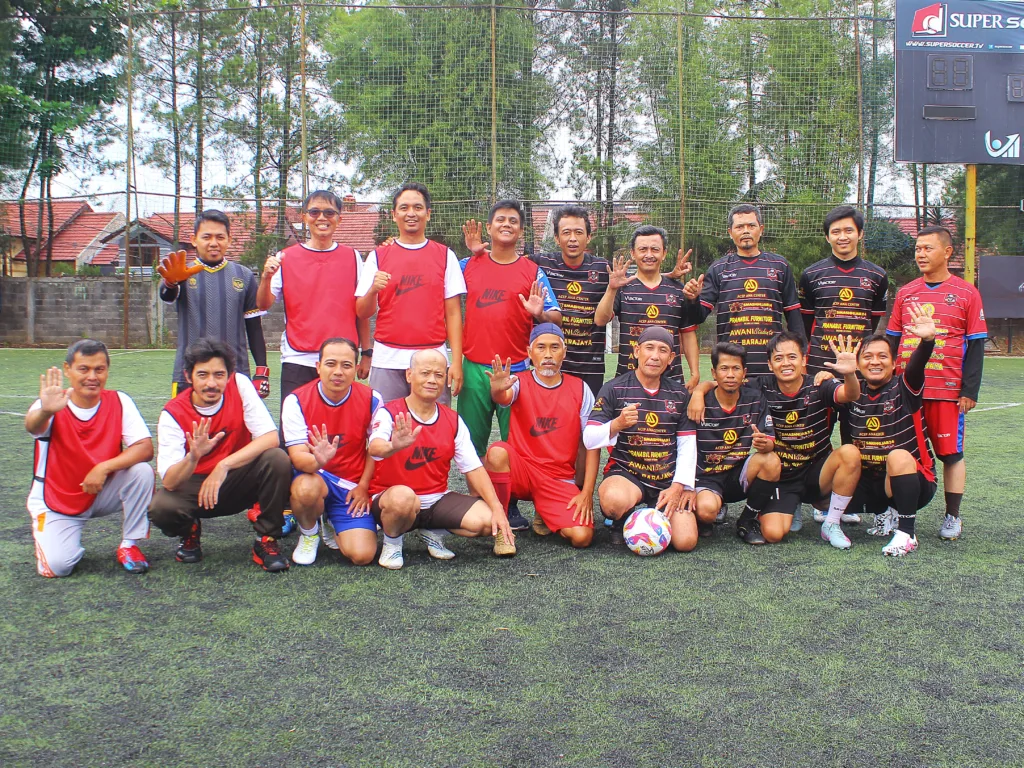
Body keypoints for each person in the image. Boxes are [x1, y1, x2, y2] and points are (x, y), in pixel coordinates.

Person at [690, 331, 862, 547]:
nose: (786, 363)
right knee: (773, 533)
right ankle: (790, 505)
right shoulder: (760, 386)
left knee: (850, 453)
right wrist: (698, 392)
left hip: (817, 471)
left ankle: (832, 523)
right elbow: (725, 381)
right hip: (783, 476)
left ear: (803, 360)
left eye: (792, 357)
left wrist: (849, 374)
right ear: (770, 365)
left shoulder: (819, 385)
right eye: (779, 358)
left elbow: (850, 394)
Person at [149, 338, 292, 572]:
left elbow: (270, 438)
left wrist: (223, 466)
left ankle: (266, 539)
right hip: (196, 488)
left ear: (229, 375)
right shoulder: (173, 414)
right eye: (202, 375)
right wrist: (193, 457)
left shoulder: (240, 385)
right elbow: (170, 481)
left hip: (235, 479)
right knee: (162, 508)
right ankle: (189, 531)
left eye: (219, 375)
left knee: (277, 459)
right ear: (188, 377)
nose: (211, 383)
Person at [367, 349, 516, 569]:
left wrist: (497, 508)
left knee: (486, 522)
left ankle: (432, 531)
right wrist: (393, 446)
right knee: (403, 498)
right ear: (409, 375)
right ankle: (392, 542)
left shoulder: (452, 419)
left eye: (438, 375)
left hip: (435, 500)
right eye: (425, 373)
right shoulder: (389, 412)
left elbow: (474, 468)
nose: (432, 380)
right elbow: (374, 448)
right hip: (392, 499)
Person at [885, 225, 987, 541]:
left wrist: (969, 390)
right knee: (897, 452)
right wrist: (888, 384)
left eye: (928, 248)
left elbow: (976, 345)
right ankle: (892, 511)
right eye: (918, 248)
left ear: (947, 252)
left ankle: (952, 516)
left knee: (950, 453)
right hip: (906, 392)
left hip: (946, 391)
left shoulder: (967, 293)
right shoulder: (906, 292)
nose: (921, 254)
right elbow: (892, 340)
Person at [25, 340, 154, 577]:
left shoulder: (119, 401)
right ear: (68, 369)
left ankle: (129, 545)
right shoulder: (53, 404)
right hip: (56, 499)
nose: (92, 377)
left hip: (99, 490)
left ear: (107, 370)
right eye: (84, 369)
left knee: (142, 472)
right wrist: (45, 410)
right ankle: (58, 538)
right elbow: (33, 427)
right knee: (58, 567)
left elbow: (145, 448)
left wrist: (103, 467)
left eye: (99, 369)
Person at [459, 200, 562, 459]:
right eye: (501, 220)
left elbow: (556, 317)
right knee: (470, 447)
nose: (507, 225)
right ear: (489, 227)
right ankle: (477, 486)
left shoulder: (532, 272)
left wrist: (539, 314)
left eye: (513, 221)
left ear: (521, 230)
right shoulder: (467, 265)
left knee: (515, 444)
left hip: (516, 368)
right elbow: (435, 277)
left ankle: (510, 486)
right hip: (474, 368)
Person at [484, 324, 599, 548]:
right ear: (529, 352)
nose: (548, 354)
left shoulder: (581, 389)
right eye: (541, 347)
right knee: (497, 452)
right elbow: (503, 398)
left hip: (558, 479)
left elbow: (591, 443)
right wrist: (497, 389)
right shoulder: (518, 382)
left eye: (555, 347)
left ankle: (545, 511)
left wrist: (586, 492)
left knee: (582, 537)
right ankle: (503, 527)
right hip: (523, 471)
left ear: (564, 352)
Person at [355, 182, 466, 406]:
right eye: (404, 208)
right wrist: (373, 289)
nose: (411, 213)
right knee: (385, 424)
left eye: (418, 207)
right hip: (387, 360)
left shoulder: (445, 256)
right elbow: (362, 311)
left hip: (432, 360)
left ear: (428, 214)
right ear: (394, 215)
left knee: (433, 424)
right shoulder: (377, 257)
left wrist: (456, 361)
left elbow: (453, 313)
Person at [257, 189, 372, 404]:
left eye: (329, 213)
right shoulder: (285, 257)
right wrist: (265, 278)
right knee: (294, 421)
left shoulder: (353, 257)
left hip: (340, 359)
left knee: (340, 422)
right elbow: (263, 304)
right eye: (314, 212)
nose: (321, 218)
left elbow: (361, 312)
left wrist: (367, 353)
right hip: (298, 357)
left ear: (339, 218)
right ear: (304, 217)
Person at [583, 327, 697, 542]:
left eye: (663, 350)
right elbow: (589, 439)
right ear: (637, 351)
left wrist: (678, 486)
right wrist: (617, 424)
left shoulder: (680, 394)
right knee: (613, 502)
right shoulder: (613, 389)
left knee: (686, 540)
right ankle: (622, 518)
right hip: (628, 473)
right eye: (649, 348)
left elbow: (687, 444)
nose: (655, 356)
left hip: (666, 478)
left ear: (671, 358)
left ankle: (654, 512)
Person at [281, 338, 383, 567]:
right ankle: (309, 534)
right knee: (305, 489)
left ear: (356, 369)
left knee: (362, 555)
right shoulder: (296, 401)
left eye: (346, 365)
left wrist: (363, 486)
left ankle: (330, 520)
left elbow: (375, 449)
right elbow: (298, 457)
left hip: (351, 486)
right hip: (315, 477)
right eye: (330, 364)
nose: (338, 371)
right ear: (318, 367)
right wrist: (319, 460)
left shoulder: (372, 399)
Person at [847, 305, 940, 556]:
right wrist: (822, 376)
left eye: (882, 356)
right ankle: (883, 513)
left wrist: (927, 342)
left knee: (897, 456)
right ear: (858, 363)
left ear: (894, 362)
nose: (875, 362)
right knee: (824, 487)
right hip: (872, 480)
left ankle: (907, 533)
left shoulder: (905, 386)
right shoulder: (853, 391)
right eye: (867, 356)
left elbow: (917, 367)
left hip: (914, 479)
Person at [681, 204, 804, 377]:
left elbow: (794, 315)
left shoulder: (780, 266)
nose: (746, 231)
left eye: (751, 226)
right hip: (732, 367)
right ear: (730, 232)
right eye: (739, 227)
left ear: (761, 229)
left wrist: (801, 353)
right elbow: (698, 316)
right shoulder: (718, 269)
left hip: (772, 365)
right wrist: (693, 299)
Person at [157, 209, 269, 398]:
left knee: (235, 418)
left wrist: (261, 371)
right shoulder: (182, 273)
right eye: (207, 237)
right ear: (194, 240)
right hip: (189, 374)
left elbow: (254, 328)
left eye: (220, 237)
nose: (214, 243)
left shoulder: (244, 276)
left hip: (235, 373)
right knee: (188, 418)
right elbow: (167, 296)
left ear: (229, 240)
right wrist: (170, 283)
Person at [681, 342, 780, 551]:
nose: (730, 375)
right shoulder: (698, 402)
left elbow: (770, 441)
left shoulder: (755, 399)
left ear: (744, 373)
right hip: (706, 477)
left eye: (736, 368)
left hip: (737, 474)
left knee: (771, 461)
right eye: (724, 368)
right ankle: (706, 514)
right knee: (707, 511)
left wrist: (764, 445)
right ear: (714, 373)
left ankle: (747, 520)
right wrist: (698, 391)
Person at [595, 225, 700, 389]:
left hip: (670, 382)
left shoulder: (679, 290)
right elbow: (600, 320)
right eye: (643, 249)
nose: (649, 255)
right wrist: (611, 288)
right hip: (628, 381)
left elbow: (687, 333)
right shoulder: (622, 287)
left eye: (655, 249)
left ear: (664, 253)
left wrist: (695, 373)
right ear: (633, 253)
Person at [799, 206, 888, 376]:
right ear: (827, 237)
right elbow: (806, 322)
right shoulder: (811, 274)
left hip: (860, 364)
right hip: (819, 363)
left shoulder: (877, 276)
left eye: (849, 230)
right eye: (836, 232)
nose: (842, 237)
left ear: (860, 234)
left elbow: (873, 320)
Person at [533, 205, 608, 399]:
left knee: (588, 417)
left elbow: (633, 279)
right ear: (557, 238)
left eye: (579, 232)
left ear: (588, 237)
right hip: (551, 363)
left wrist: (668, 276)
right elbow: (507, 261)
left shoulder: (602, 269)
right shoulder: (540, 264)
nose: (572, 238)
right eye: (566, 233)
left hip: (590, 365)